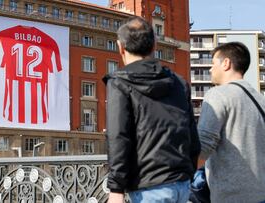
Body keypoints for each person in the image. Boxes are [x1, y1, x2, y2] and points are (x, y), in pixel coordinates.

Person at [103, 16, 200, 203]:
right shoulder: (179, 83)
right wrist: (187, 174)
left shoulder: (120, 83)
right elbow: (192, 137)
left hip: (147, 188)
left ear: (120, 47)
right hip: (181, 185)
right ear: (154, 45)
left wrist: (116, 189)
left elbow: (118, 137)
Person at [198, 42, 265, 202]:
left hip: (231, 195)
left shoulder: (218, 94)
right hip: (260, 192)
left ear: (226, 63)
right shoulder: (260, 99)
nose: (210, 69)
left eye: (213, 63)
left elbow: (203, 145)